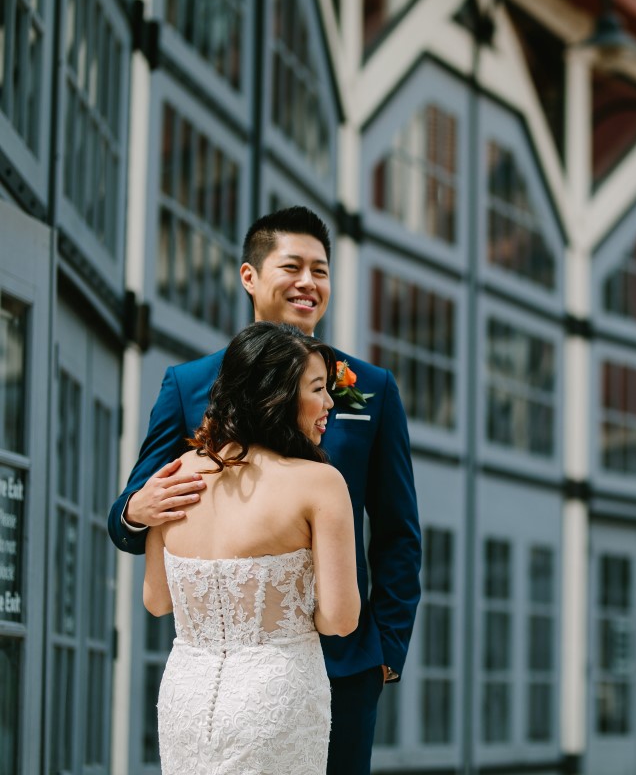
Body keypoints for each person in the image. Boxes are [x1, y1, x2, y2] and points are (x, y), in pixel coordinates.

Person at [110, 206, 420, 774]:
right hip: (221, 670)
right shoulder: (189, 384)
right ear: (249, 277)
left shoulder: (370, 388)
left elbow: (399, 531)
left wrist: (386, 653)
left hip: (346, 665)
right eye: (293, 266)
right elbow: (140, 503)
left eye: (321, 271)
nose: (309, 283)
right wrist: (134, 512)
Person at [145, 322, 358, 774]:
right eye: (318, 389)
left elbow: (157, 600)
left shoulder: (173, 475)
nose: (329, 403)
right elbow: (340, 619)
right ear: (276, 393)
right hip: (277, 697)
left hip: (186, 696)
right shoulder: (319, 483)